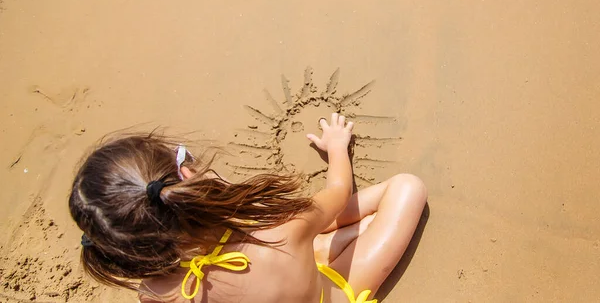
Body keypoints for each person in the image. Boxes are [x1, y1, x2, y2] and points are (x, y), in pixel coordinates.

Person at [69, 113, 427, 303]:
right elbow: (338, 189)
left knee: (311, 238)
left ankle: (330, 241)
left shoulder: (155, 295)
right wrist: (336, 147)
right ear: (186, 175)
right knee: (407, 189)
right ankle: (339, 238)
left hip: (291, 262)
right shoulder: (279, 228)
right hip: (325, 292)